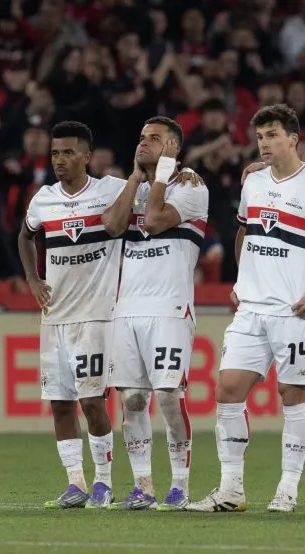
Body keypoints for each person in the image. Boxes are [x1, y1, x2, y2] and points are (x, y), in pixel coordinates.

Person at [188, 104, 305, 513]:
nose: (264, 143)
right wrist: (239, 280)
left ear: (294, 137)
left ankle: (287, 488)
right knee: (228, 389)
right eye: (259, 136)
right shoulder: (253, 182)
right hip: (251, 308)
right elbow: (243, 229)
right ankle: (231, 489)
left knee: (293, 395)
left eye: (272, 135)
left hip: (295, 311)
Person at [101, 117, 210, 511]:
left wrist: (162, 174)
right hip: (126, 308)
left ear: (174, 148)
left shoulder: (192, 188)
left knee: (167, 395)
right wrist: (135, 178)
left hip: (169, 308)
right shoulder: (132, 189)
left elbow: (153, 220)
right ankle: (142, 485)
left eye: (154, 139)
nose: (143, 143)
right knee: (131, 400)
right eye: (141, 137)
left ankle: (180, 483)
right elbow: (114, 226)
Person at [18, 121, 122, 509]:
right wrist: (32, 278)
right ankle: (75, 483)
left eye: (68, 153)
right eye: (55, 153)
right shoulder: (44, 198)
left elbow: (150, 193)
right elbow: (25, 235)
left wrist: (182, 172)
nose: (59, 160)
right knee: (60, 403)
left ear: (87, 155)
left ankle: (104, 482)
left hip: (95, 316)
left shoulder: (110, 189)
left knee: (92, 401)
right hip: (54, 316)